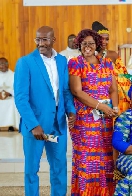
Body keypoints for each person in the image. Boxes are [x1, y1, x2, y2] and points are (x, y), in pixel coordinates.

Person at [14, 26, 76, 196]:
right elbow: (20, 98)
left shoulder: (62, 61)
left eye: (44, 39)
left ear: (53, 40)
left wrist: (71, 111)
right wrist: (34, 125)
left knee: (59, 168)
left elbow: (65, 90)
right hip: (35, 126)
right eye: (38, 39)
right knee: (32, 170)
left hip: (58, 123)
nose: (40, 43)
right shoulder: (25, 62)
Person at [68, 29, 119, 195]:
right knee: (87, 157)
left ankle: (104, 192)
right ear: (79, 45)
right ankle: (86, 192)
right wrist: (101, 107)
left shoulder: (107, 63)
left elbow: (113, 89)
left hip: (105, 118)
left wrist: (115, 108)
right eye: (84, 43)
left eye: (91, 43)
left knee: (105, 156)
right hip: (85, 118)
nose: (87, 46)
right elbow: (77, 91)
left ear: (97, 44)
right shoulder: (76, 63)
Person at [92, 21, 130, 114]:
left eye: (107, 39)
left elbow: (125, 75)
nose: (104, 42)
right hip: (95, 94)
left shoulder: (112, 55)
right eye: (102, 39)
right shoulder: (89, 56)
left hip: (116, 93)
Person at [0, 57, 19, 131]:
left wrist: (9, 93)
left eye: (5, 63)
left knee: (13, 102)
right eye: (1, 64)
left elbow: (17, 88)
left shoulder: (14, 75)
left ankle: (11, 125)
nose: (4, 65)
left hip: (10, 97)